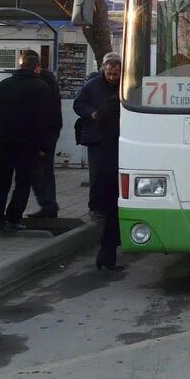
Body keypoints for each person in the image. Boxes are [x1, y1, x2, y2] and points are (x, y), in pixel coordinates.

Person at [0, 50, 52, 231]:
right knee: (23, 182)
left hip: (3, 142)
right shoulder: (41, 88)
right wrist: (44, 146)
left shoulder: (4, 85)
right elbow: (43, 121)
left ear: (21, 66)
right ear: (37, 68)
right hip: (27, 144)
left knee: (2, 181)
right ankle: (13, 219)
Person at [74, 52, 123, 270]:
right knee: (99, 175)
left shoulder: (125, 85)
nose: (112, 77)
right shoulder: (93, 85)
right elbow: (79, 105)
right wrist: (92, 114)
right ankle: (98, 207)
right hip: (99, 137)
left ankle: (107, 205)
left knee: (112, 178)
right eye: (109, 73)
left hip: (118, 138)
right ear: (103, 68)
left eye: (116, 73)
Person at [29, 58, 63, 219]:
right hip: (51, 131)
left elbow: (39, 113)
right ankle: (50, 205)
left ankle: (48, 204)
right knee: (46, 170)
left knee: (38, 170)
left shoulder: (41, 82)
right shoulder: (50, 80)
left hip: (42, 133)